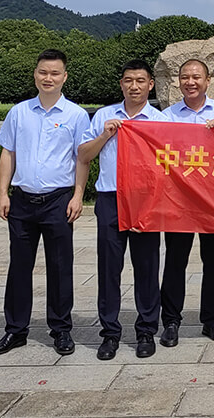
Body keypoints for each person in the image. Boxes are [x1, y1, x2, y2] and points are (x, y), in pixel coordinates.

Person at [0, 49, 90, 357]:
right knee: (19, 266)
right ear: (35, 74)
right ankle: (15, 330)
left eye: (55, 73)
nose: (48, 78)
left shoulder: (76, 115)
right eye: (43, 72)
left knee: (60, 267)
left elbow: (82, 158)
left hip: (58, 201)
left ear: (64, 77)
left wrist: (78, 196)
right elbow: (8, 153)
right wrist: (2, 192)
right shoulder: (19, 113)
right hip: (22, 201)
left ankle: (61, 329)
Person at [77, 59, 170, 360]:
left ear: (150, 85)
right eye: (129, 80)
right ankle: (110, 333)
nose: (134, 86)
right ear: (121, 84)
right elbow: (83, 154)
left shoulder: (160, 121)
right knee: (109, 269)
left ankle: (146, 331)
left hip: (145, 201)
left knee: (147, 268)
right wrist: (105, 135)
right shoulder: (104, 116)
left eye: (140, 81)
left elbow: (173, 162)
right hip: (110, 199)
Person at [160, 58, 214, 346]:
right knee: (175, 260)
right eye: (185, 77)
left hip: (212, 199)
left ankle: (212, 320)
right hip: (178, 200)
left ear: (208, 81)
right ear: (178, 81)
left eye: (196, 77)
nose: (190, 82)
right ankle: (171, 321)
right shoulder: (167, 116)